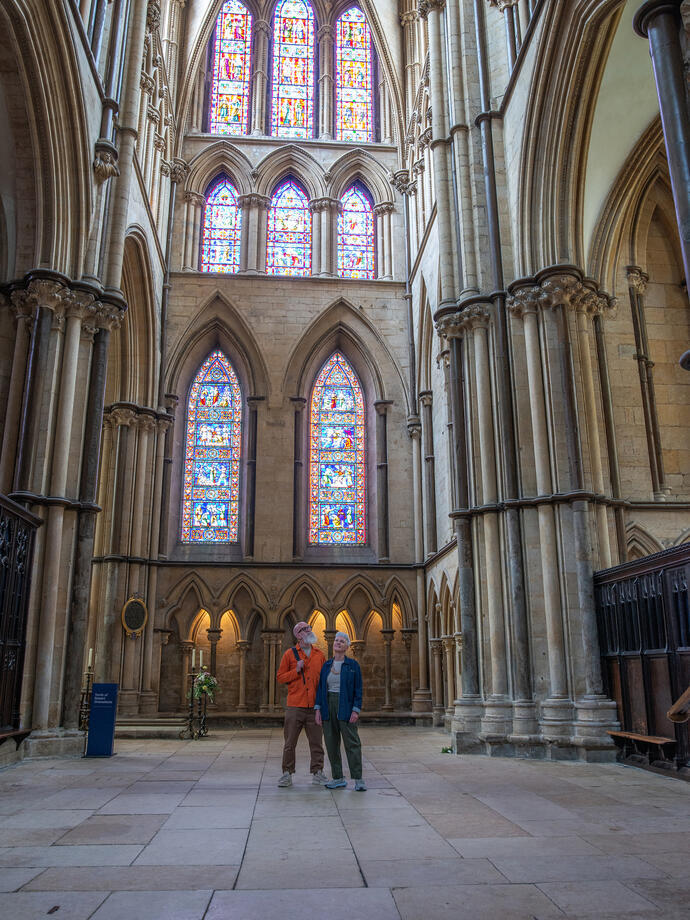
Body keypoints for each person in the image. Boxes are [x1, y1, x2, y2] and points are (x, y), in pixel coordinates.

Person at [275, 621, 328, 787]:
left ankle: (318, 772)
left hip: (314, 707)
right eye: (305, 629)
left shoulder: (319, 655)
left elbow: (324, 681)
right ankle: (287, 773)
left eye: (309, 628)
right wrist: (295, 670)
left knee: (317, 742)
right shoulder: (289, 655)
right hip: (295, 705)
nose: (309, 631)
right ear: (298, 635)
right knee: (290, 742)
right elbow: (280, 677)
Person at [315, 631, 366, 791]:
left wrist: (355, 710)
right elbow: (321, 688)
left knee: (352, 743)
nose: (338, 643)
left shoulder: (353, 666)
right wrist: (318, 709)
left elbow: (358, 689)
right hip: (328, 705)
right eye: (336, 640)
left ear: (346, 646)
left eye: (342, 641)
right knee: (331, 743)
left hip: (346, 706)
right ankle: (338, 778)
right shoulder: (326, 666)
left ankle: (358, 779)